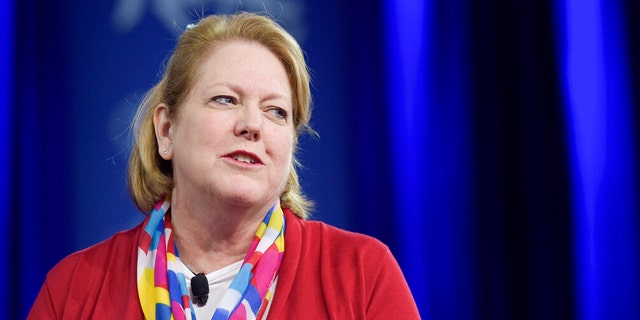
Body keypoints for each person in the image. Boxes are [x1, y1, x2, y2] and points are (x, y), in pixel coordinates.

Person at [28, 12, 420, 319]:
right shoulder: (74, 288)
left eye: (276, 112)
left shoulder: (362, 274)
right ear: (166, 130)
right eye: (225, 100)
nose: (252, 125)